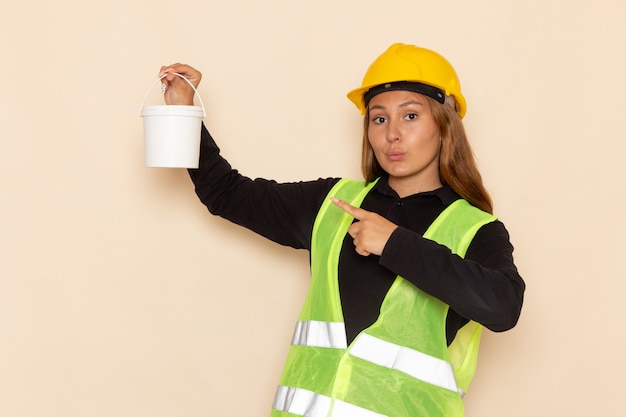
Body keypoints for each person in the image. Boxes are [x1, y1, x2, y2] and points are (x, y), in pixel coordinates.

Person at [158, 42, 525, 417]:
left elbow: (504, 308)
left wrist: (395, 244)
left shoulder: (476, 229)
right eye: (379, 119)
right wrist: (185, 114)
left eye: (410, 116)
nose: (392, 134)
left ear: (445, 125)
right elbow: (227, 194)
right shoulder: (332, 203)